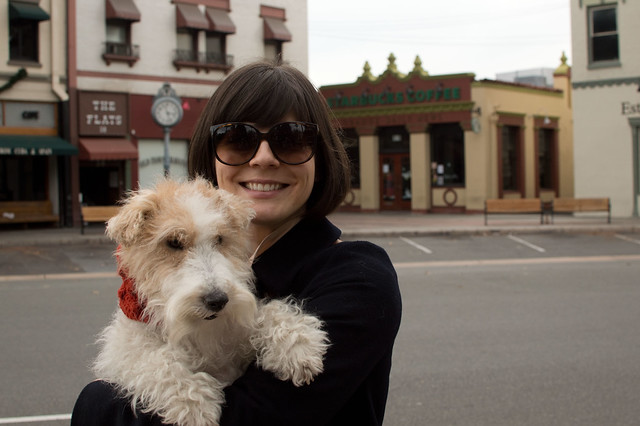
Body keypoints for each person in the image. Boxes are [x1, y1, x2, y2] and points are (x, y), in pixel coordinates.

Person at [71, 59, 402, 426]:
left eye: (291, 139)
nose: (263, 158)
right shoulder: (226, 271)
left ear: (321, 156)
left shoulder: (359, 276)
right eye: (238, 139)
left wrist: (95, 403)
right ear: (211, 152)